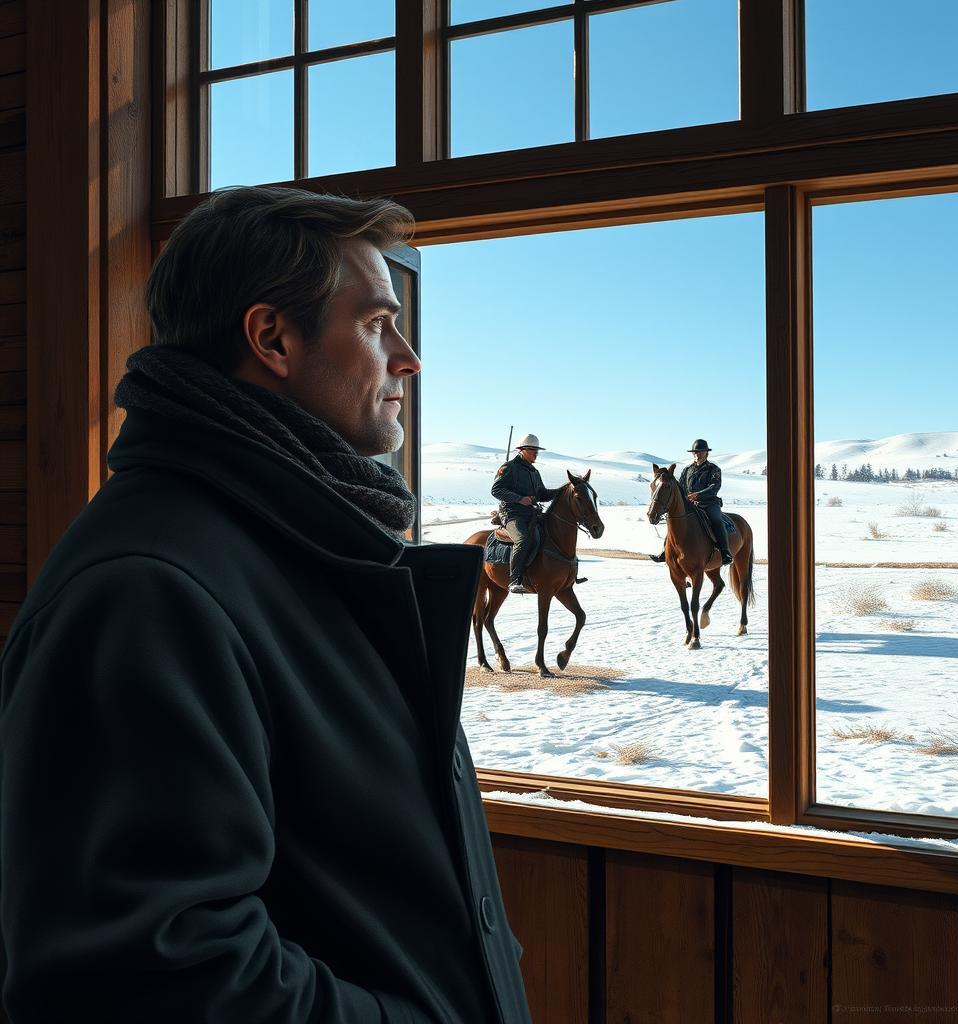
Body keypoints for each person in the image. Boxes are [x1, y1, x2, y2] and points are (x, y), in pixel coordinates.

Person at [0, 186, 531, 1023]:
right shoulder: (148, 593)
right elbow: (153, 977)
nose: (408, 357)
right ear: (272, 338)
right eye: (375, 324)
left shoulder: (297, 542)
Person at [491, 434, 560, 594]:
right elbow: (496, 490)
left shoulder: (534, 471)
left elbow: (542, 494)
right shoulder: (509, 468)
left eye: (537, 450)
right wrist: (519, 499)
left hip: (531, 515)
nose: (536, 453)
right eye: (532, 450)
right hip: (512, 514)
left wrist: (562, 491)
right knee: (522, 540)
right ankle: (515, 580)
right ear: (522, 450)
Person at [684, 438, 732, 565]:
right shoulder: (687, 470)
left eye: (700, 451)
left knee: (716, 520)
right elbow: (681, 486)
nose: (696, 454)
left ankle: (725, 552)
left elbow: (714, 487)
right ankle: (665, 550)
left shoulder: (714, 469)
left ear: (706, 452)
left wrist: (698, 495)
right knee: (675, 520)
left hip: (709, 504)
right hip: (690, 505)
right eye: (694, 452)